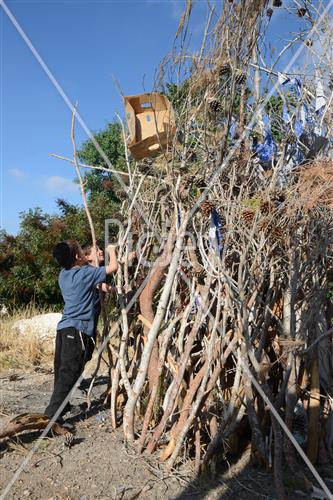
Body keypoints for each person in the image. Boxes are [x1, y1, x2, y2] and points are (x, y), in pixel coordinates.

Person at [44, 239, 118, 422]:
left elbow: (98, 281)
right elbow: (114, 266)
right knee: (69, 373)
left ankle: (63, 406)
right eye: (81, 250)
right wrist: (111, 250)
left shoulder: (64, 274)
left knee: (62, 371)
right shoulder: (85, 273)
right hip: (77, 330)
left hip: (63, 329)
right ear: (78, 256)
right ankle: (51, 418)